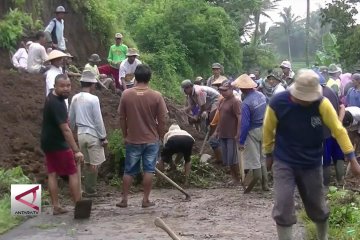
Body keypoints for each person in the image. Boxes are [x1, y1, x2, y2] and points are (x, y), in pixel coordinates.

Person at [263, 69, 360, 240]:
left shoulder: (321, 103)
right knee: (283, 204)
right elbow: (268, 129)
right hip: (284, 161)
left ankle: (323, 237)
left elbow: (338, 130)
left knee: (317, 207)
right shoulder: (278, 103)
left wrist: (352, 159)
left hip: (312, 163)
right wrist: (268, 154)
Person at [117, 64, 167, 208]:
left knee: (129, 170)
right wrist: (160, 135)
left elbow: (121, 117)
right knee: (149, 170)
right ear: (149, 78)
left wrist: (125, 135)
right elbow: (163, 118)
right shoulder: (156, 96)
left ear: (135, 77)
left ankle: (124, 200)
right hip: (151, 139)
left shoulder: (126, 95)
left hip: (133, 139)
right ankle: (145, 200)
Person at [40, 74, 84, 215]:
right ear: (55, 86)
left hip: (47, 141)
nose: (66, 89)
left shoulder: (51, 96)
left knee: (52, 173)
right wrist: (76, 150)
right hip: (58, 144)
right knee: (72, 172)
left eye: (68, 85)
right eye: (62, 86)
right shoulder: (58, 104)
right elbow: (65, 129)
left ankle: (56, 206)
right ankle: (79, 206)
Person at [69, 70, 107, 197]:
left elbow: (71, 119)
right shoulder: (94, 99)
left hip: (81, 135)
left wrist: (71, 132)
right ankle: (90, 190)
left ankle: (86, 187)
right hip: (93, 135)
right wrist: (103, 137)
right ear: (92, 85)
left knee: (86, 163)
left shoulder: (75, 98)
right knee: (95, 163)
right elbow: (98, 119)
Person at [231, 74, 269, 193]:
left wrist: (241, 141)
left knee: (254, 159)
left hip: (252, 131)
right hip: (264, 128)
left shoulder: (246, 103)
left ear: (243, 89)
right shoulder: (261, 95)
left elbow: (245, 123)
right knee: (262, 157)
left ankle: (253, 183)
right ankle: (265, 185)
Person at [316, 70, 346, 186]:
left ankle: (326, 185)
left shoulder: (317, 97)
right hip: (336, 131)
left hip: (325, 133)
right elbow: (342, 106)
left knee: (325, 160)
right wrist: (339, 122)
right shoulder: (331, 91)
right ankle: (341, 181)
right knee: (338, 155)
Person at [181, 80, 222, 163]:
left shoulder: (198, 91)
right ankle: (207, 135)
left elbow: (202, 107)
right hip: (208, 103)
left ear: (189, 87)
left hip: (216, 100)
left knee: (211, 117)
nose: (184, 91)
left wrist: (196, 116)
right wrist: (183, 110)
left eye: (185, 89)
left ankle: (213, 136)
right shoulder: (190, 95)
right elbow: (191, 105)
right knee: (203, 118)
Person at [214, 80, 241, 185]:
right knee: (227, 158)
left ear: (231, 90)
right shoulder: (222, 101)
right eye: (221, 90)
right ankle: (233, 177)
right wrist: (217, 130)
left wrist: (238, 132)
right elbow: (220, 117)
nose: (222, 92)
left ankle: (237, 178)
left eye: (225, 90)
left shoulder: (236, 102)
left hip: (231, 134)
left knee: (233, 158)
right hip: (223, 133)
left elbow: (239, 117)